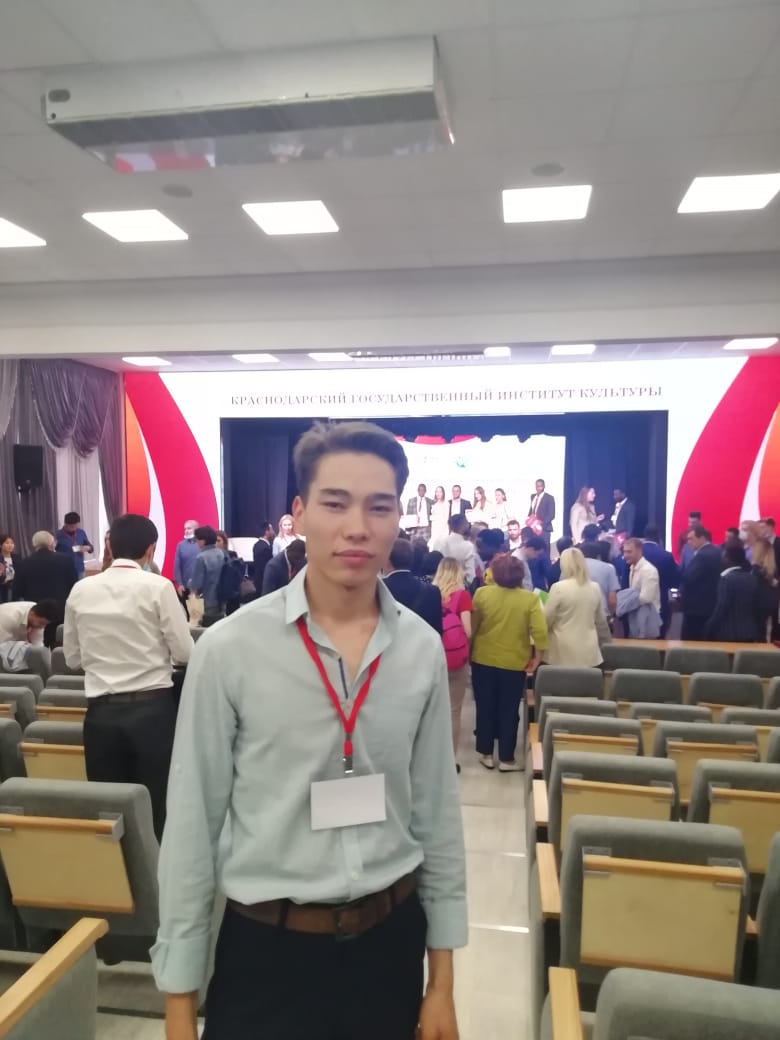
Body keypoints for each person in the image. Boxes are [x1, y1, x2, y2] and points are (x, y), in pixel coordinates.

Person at [153, 419, 466, 1040]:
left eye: (379, 507)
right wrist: (179, 1004)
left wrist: (442, 985)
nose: (358, 527)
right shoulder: (231, 649)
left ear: (398, 520)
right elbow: (191, 827)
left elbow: (436, 816)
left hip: (388, 947)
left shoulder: (420, 649)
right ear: (298, 513)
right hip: (267, 952)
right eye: (335, 503)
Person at [63, 514, 193, 842]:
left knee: (109, 813)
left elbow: (72, 658)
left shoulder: (81, 590)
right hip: (153, 712)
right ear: (151, 549)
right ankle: (158, 872)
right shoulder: (159, 587)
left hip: (100, 714)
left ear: (109, 545)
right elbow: (185, 653)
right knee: (157, 808)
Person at [471, 554, 548, 772]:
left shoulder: (482, 594)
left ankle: (486, 753)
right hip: (514, 662)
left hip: (483, 657)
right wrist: (537, 657)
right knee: (509, 709)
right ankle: (507, 758)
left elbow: (474, 627)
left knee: (484, 706)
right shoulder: (529, 599)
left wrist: (469, 652)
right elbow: (540, 631)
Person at [432, 558, 473, 770]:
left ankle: (432, 757)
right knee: (454, 710)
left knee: (432, 710)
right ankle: (449, 760)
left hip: (434, 657)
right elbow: (468, 630)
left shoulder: (431, 593)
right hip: (456, 659)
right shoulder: (462, 596)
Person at [544, 548, 610, 667]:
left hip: (561, 651)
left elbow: (547, 620)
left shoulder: (558, 588)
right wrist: (606, 643)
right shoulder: (595, 587)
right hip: (589, 653)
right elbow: (601, 621)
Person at [12, 531, 77, 646]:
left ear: (34, 544)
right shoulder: (66, 560)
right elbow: (73, 585)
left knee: (37, 644)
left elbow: (17, 590)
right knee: (59, 642)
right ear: (52, 543)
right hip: (59, 609)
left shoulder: (24, 563)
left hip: (36, 612)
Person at [704, 542, 762, 642]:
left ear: (728, 558)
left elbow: (721, 608)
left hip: (728, 633)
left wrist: (708, 628)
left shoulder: (726, 579)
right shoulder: (752, 578)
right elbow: (757, 607)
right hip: (749, 632)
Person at [383, 538, 443, 635]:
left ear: (387, 561)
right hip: (422, 643)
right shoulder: (433, 591)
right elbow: (437, 631)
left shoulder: (378, 590)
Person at [680, 525, 723, 640]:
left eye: (691, 539)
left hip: (696, 608)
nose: (688, 542)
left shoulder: (703, 555)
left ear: (702, 538)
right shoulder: (717, 551)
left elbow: (688, 577)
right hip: (711, 605)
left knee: (691, 641)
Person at [641, 524, 681, 637]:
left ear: (645, 535)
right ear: (659, 536)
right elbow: (675, 581)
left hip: (637, 603)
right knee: (659, 637)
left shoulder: (635, 553)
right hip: (660, 602)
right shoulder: (666, 556)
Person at [619, 538, 662, 637]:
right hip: (635, 616)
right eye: (624, 552)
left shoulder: (648, 570)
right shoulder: (632, 567)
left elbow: (646, 598)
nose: (625, 555)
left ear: (639, 551)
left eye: (629, 552)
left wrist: (623, 603)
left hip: (648, 618)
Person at [189, 526, 227, 628]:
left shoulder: (201, 557)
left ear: (203, 541)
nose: (196, 542)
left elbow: (196, 584)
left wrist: (189, 582)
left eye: (197, 539)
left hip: (207, 602)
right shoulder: (222, 553)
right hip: (222, 599)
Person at [433, 513, 478, 586]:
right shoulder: (468, 546)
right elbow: (471, 575)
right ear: (465, 525)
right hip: (458, 586)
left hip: (438, 584)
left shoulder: (438, 541)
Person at [580, 541, 619, 616]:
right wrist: (612, 615)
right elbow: (612, 600)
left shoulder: (570, 569)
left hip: (578, 616)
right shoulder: (608, 568)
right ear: (598, 555)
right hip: (602, 614)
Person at [750, 538, 778, 642]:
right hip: (769, 603)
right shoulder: (771, 571)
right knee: (762, 630)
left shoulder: (755, 571)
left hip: (757, 604)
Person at [55, 511, 93, 580]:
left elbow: (91, 548)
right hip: (64, 570)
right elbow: (52, 550)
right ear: (65, 524)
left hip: (79, 570)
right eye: (71, 526)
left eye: (76, 525)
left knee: (81, 587)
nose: (74, 528)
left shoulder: (81, 532)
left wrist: (88, 548)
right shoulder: (58, 535)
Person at [174, 520, 200, 620]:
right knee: (189, 617)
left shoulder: (202, 544)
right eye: (185, 529)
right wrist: (179, 584)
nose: (186, 531)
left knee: (198, 617)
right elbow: (177, 566)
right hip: (185, 588)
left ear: (196, 529)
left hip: (200, 588)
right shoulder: (181, 545)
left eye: (189, 528)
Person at [216, 530, 244, 616]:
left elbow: (237, 574)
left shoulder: (232, 555)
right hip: (218, 594)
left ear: (225, 543)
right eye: (214, 541)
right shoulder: (211, 557)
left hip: (232, 593)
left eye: (218, 540)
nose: (216, 543)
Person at [527, 478, 555, 553]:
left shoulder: (549, 498)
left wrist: (540, 524)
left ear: (544, 486)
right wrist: (530, 521)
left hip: (544, 528)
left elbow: (551, 514)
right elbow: (532, 510)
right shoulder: (533, 496)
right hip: (533, 528)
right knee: (534, 549)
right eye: (537, 486)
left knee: (545, 549)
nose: (538, 488)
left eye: (540, 486)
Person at [252, 521, 275, 594]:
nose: (273, 532)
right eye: (271, 529)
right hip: (263, 582)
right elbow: (264, 567)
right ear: (266, 531)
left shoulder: (257, 545)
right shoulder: (264, 548)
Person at [0, 534, 20, 604]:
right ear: (1, 545)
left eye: (12, 543)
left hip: (14, 585)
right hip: (2, 586)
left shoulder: (17, 557)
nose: (10, 545)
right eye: (7, 543)